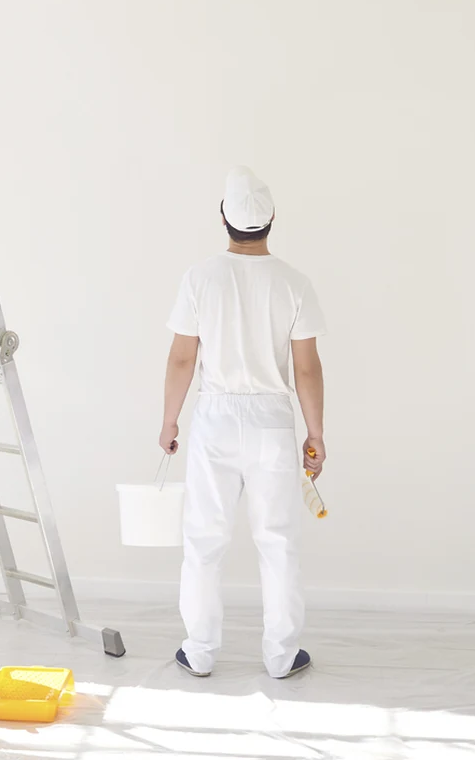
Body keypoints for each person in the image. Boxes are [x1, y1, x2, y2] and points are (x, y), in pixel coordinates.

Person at [160, 166, 327, 679]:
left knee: (204, 541)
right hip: (272, 421)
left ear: (224, 219)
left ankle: (200, 651)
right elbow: (306, 368)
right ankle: (281, 656)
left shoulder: (199, 278)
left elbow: (182, 358)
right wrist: (315, 433)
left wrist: (169, 422)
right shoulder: (295, 283)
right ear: (272, 218)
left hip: (214, 418)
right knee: (278, 541)